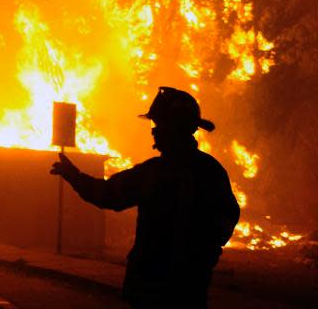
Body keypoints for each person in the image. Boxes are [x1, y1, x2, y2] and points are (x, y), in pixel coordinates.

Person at [50, 86, 240, 308]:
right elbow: (228, 217)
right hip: (188, 289)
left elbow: (108, 195)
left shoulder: (154, 174)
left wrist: (74, 177)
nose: (153, 131)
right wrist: (205, 256)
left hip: (152, 287)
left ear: (173, 128)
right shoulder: (210, 171)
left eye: (157, 124)